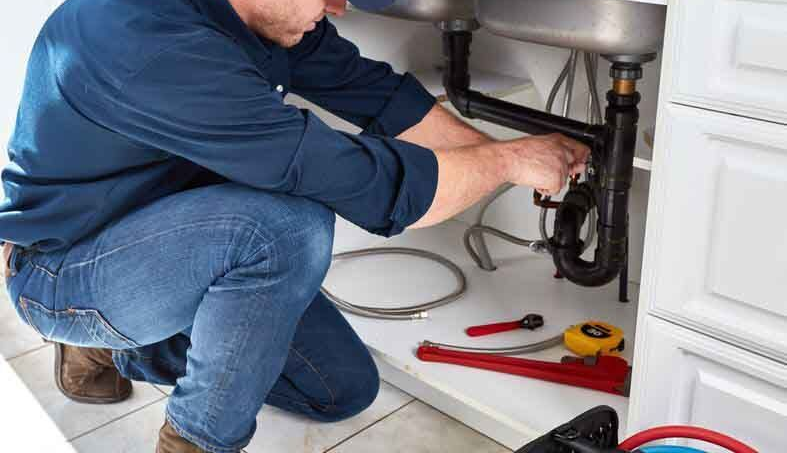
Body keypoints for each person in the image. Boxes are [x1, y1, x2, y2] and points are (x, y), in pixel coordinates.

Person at [0, 0, 589, 451]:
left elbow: (383, 99)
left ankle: (126, 350)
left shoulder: (260, 19)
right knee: (286, 227)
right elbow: (383, 191)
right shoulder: (149, 41)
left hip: (180, 245)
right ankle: (187, 435)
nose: (338, 6)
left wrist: (507, 159)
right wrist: (508, 161)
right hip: (65, 267)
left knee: (340, 391)